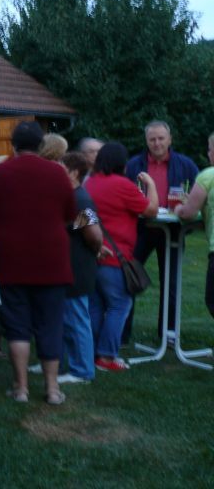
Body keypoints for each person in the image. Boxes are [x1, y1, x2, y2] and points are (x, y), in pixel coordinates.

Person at [0, 121, 75, 405]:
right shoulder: (58, 173)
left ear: (13, 145)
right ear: (41, 145)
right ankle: (52, 389)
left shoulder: (0, 173)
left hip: (11, 257)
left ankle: (21, 387)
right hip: (51, 257)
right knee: (51, 323)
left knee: (17, 324)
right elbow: (71, 213)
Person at [87, 143, 158, 371]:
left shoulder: (89, 183)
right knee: (119, 305)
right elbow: (151, 210)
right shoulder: (123, 185)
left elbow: (82, 218)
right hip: (116, 256)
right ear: (122, 163)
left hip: (93, 253)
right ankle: (106, 357)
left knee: (96, 306)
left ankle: (91, 353)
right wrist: (151, 184)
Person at [125, 121, 198, 339]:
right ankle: (122, 332)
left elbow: (197, 194)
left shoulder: (185, 165)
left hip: (173, 230)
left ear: (170, 139)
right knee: (129, 277)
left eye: (161, 138)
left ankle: (168, 333)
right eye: (152, 139)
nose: (157, 143)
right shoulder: (134, 165)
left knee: (171, 282)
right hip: (141, 229)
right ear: (146, 141)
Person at [58, 151, 103, 384]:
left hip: (78, 267)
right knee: (65, 319)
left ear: (74, 173)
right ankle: (61, 363)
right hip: (67, 266)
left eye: (61, 168)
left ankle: (83, 370)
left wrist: (96, 249)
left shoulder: (81, 200)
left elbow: (94, 234)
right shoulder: (72, 197)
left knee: (76, 319)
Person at [174, 132, 214, 320]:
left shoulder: (208, 176)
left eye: (210, 149)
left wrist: (179, 208)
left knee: (212, 300)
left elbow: (188, 213)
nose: (208, 153)